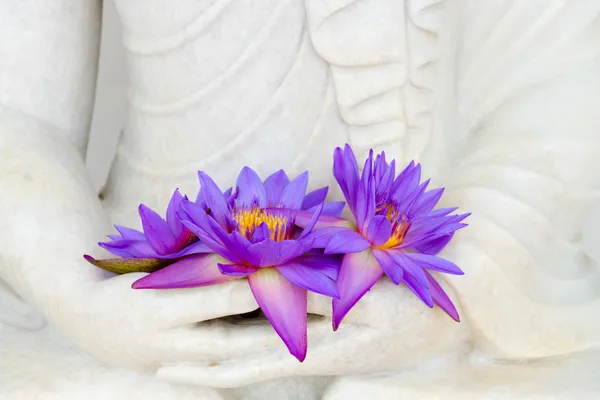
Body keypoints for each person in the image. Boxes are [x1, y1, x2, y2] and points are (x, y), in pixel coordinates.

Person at [1, 1, 600, 398]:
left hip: (438, 287)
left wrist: (458, 299)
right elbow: (19, 116)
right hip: (140, 291)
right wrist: (77, 295)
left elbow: (562, 87)